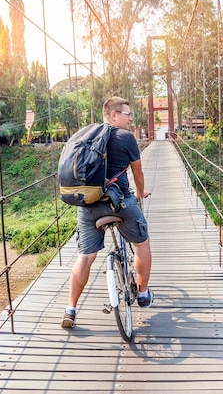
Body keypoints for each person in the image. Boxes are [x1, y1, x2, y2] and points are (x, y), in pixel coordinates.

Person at [61, 96, 153, 328]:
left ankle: (70, 309)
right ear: (114, 115)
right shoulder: (126, 138)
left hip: (88, 207)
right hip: (119, 204)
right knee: (142, 244)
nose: (131, 119)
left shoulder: (82, 135)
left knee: (85, 257)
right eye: (127, 114)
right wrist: (140, 193)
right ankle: (142, 294)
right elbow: (138, 174)